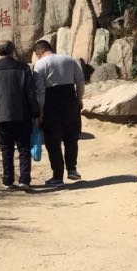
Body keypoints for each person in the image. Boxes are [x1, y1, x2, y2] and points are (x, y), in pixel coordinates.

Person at [29, 38, 86, 186]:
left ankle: (57, 176)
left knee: (53, 142)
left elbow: (40, 91)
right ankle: (72, 169)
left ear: (38, 53)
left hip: (51, 104)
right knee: (71, 137)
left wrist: (40, 112)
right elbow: (80, 81)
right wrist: (79, 99)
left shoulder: (40, 65)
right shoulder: (69, 59)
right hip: (70, 101)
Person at [0, 47, 38, 191]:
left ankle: (8, 180)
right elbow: (30, 92)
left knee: (6, 149)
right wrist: (35, 112)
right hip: (22, 114)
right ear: (13, 51)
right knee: (24, 148)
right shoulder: (23, 68)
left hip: (1, 116)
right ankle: (24, 180)